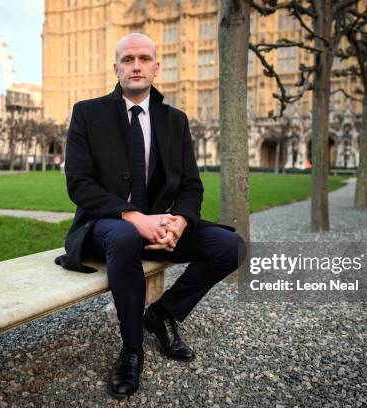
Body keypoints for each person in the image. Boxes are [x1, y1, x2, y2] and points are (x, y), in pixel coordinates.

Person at [55, 32, 245, 398]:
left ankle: (163, 314)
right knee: (126, 235)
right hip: (104, 227)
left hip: (156, 228)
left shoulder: (175, 120)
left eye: (144, 59)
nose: (136, 66)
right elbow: (79, 185)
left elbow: (191, 186)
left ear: (157, 67)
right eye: (128, 59)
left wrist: (180, 221)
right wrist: (133, 216)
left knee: (231, 245)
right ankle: (131, 349)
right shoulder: (87, 113)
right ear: (116, 68)